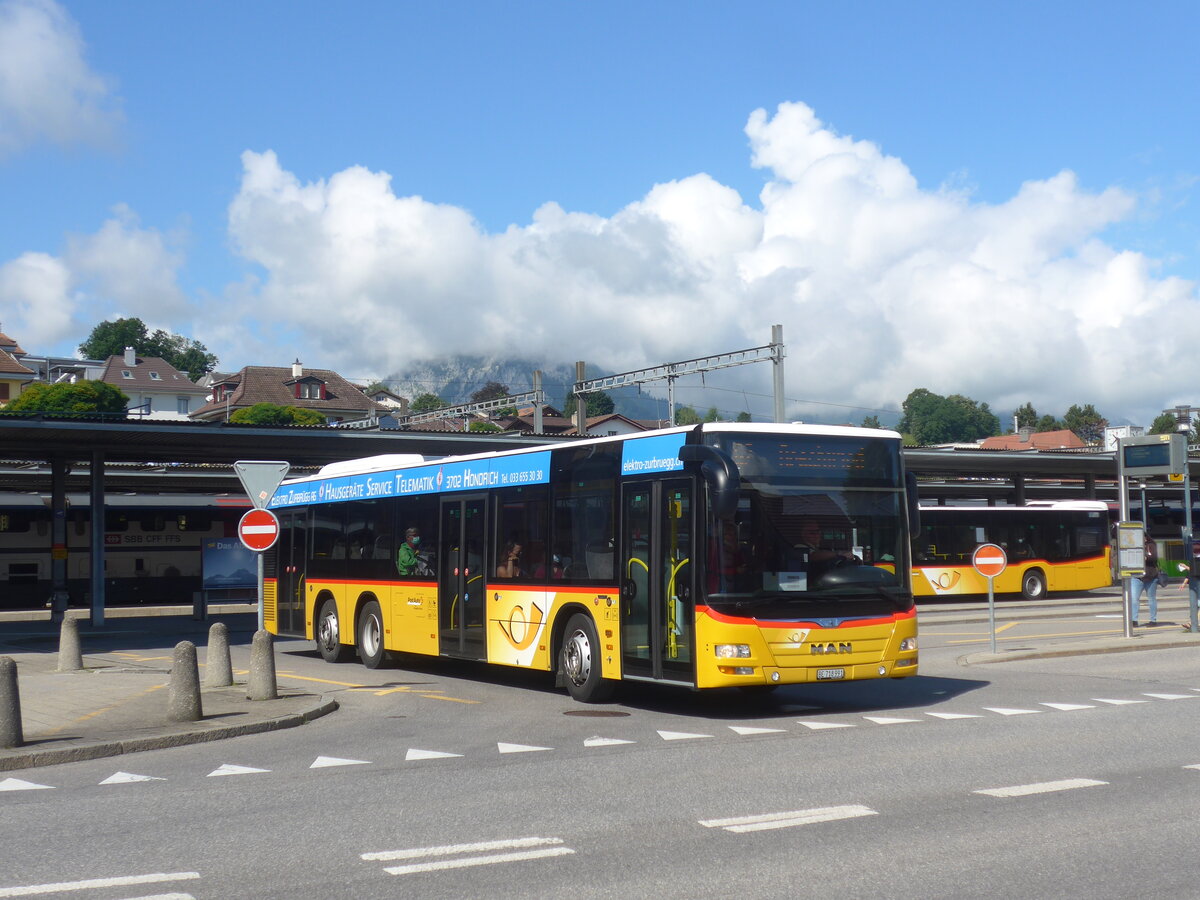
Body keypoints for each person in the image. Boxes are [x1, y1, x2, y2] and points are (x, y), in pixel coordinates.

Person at [1129, 539, 1159, 627]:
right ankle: (1134, 620)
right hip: (1137, 576)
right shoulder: (1133, 546)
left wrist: (1145, 556)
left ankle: (1153, 620)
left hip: (1151, 576)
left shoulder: (1151, 545)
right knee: (1134, 598)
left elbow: (1153, 558)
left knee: (1151, 598)